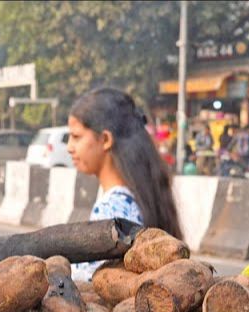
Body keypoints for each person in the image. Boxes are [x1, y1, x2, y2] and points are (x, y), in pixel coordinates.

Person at [66, 87, 182, 280]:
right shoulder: (137, 198)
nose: (69, 147)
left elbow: (92, 287)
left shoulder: (111, 210)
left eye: (76, 136)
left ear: (105, 140)